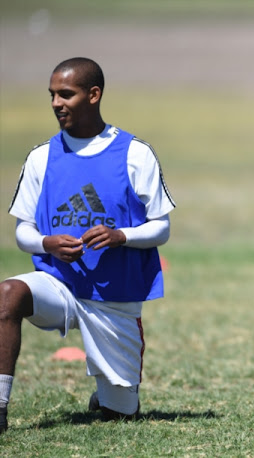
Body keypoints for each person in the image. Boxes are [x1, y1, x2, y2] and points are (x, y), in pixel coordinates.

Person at [0, 57, 176, 434]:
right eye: (52, 95)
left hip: (114, 297)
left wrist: (121, 236)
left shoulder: (134, 153)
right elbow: (22, 232)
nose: (56, 103)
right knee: (8, 295)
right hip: (58, 286)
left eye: (66, 94)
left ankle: (112, 394)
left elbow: (161, 228)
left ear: (94, 95)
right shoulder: (41, 157)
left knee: (120, 415)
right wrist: (46, 242)